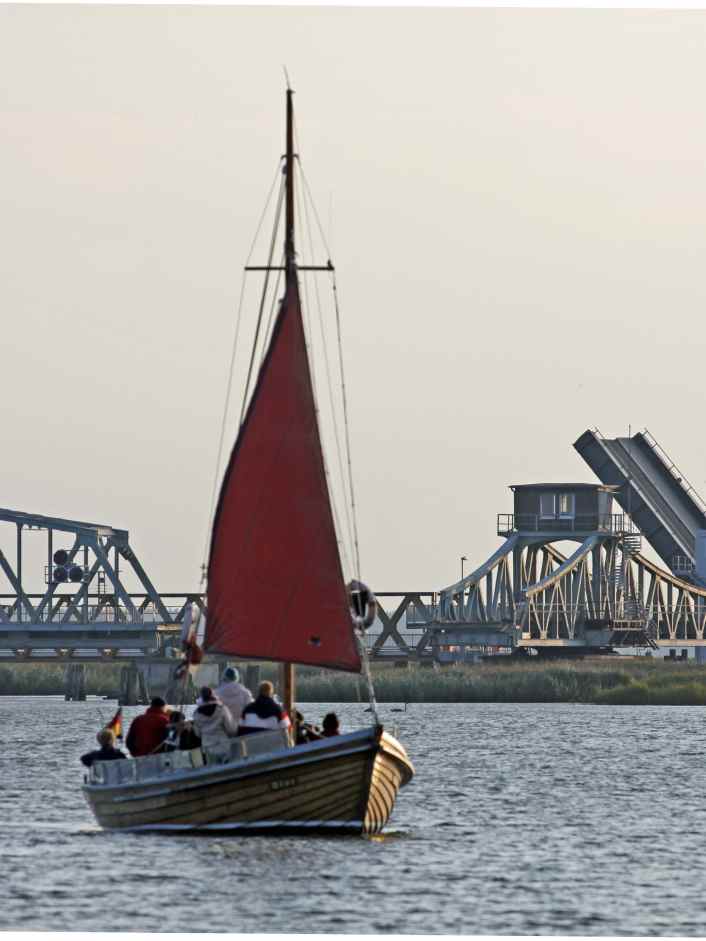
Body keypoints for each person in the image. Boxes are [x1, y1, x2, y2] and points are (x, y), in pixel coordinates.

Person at [192, 687, 238, 761]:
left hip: (207, 748)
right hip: (223, 745)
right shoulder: (221, 709)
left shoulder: (196, 714)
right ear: (212, 694)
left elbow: (197, 733)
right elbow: (231, 729)